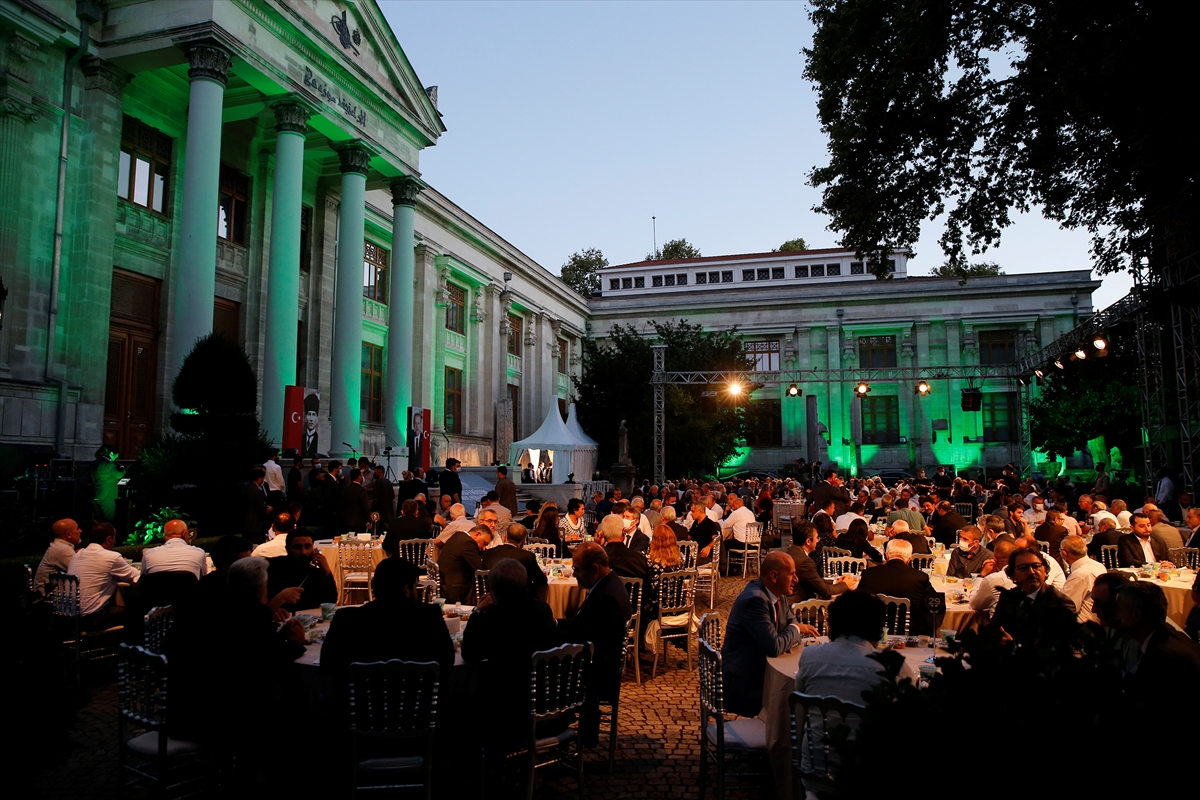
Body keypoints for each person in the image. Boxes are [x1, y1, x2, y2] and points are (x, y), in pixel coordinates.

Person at [320, 558, 455, 684]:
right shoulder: (429, 616)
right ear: (406, 589)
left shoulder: (346, 618)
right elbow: (447, 662)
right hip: (418, 703)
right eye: (415, 587)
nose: (416, 592)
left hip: (362, 704)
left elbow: (327, 665)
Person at [722, 551, 819, 716]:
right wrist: (796, 631)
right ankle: (784, 741)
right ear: (774, 576)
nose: (796, 580)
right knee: (796, 700)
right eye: (792, 574)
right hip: (745, 685)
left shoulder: (777, 594)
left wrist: (787, 636)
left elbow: (791, 622)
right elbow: (775, 646)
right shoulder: (755, 600)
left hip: (761, 673)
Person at [556, 542, 632, 746]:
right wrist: (555, 623)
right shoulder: (607, 585)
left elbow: (584, 636)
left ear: (595, 568)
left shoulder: (607, 597)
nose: (575, 575)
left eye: (578, 570)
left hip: (597, 673)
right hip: (595, 661)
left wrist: (553, 635)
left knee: (541, 674)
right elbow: (582, 625)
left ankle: (549, 728)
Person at [795, 591, 918, 700]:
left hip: (819, 726)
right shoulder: (891, 666)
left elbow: (800, 697)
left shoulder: (809, 656)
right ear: (877, 628)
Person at [1116, 581, 1200, 697]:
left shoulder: (1162, 657)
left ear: (1136, 615)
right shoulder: (1166, 634)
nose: (1117, 617)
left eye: (1119, 611)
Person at [990, 546, 1077, 641]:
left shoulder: (1060, 603)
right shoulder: (1008, 597)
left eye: (1036, 566)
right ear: (1013, 574)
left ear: (1045, 571)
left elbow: (1059, 646)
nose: (1031, 572)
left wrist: (1014, 645)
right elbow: (994, 628)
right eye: (1023, 568)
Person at [66, 522, 140, 628]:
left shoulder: (77, 555)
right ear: (109, 539)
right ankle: (130, 643)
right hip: (92, 618)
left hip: (71, 618)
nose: (115, 541)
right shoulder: (111, 557)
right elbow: (134, 575)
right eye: (115, 538)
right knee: (138, 611)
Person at [266, 530, 337, 612]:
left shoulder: (315, 572)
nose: (303, 552)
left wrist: (327, 571)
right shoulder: (273, 568)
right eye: (297, 547)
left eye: (307, 547)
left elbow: (330, 601)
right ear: (287, 549)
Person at [785, 522, 850, 603]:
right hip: (799, 607)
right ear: (808, 541)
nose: (818, 540)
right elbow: (825, 591)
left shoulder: (789, 551)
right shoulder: (805, 562)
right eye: (817, 538)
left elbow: (814, 581)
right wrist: (846, 584)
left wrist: (836, 582)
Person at [482, 522, 549, 597]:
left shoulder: (488, 553)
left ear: (505, 537)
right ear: (524, 542)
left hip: (491, 599)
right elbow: (541, 580)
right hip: (518, 602)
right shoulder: (527, 556)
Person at [1059, 534, 1107, 623]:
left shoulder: (1079, 574)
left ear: (1064, 554)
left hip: (1082, 626)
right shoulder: (1098, 565)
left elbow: (1066, 608)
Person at [439, 524, 491, 604]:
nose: (484, 548)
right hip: (457, 590)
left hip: (445, 584)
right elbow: (480, 569)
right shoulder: (468, 543)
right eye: (484, 543)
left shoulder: (458, 535)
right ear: (477, 534)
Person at [141, 518, 208, 578]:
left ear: (164, 536)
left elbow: (143, 580)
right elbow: (204, 580)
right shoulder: (199, 553)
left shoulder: (148, 554)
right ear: (185, 534)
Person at [600, 513, 654, 583]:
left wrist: (599, 546)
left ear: (602, 534)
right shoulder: (638, 559)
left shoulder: (598, 559)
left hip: (606, 593)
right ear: (623, 532)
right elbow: (647, 589)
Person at [969, 539, 1016, 618]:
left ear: (995, 559)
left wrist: (982, 575)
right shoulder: (1025, 574)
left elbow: (974, 604)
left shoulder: (993, 579)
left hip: (999, 627)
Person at [33, 518, 81, 594]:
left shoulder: (59, 547)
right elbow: (82, 572)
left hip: (51, 595)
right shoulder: (63, 550)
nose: (80, 531)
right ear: (68, 534)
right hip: (47, 598)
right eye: (77, 528)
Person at [240, 465, 273, 543]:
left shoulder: (244, 489)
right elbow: (261, 509)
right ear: (260, 478)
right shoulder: (257, 491)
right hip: (256, 526)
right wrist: (268, 509)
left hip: (244, 524)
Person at [340, 468, 371, 534]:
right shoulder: (361, 490)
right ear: (359, 477)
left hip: (346, 521)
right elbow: (366, 507)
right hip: (359, 522)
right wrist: (369, 520)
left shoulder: (346, 490)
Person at [370, 465, 396, 529]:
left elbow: (375, 498)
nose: (374, 474)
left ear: (380, 473)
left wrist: (372, 509)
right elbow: (393, 496)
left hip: (381, 513)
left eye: (375, 473)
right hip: (390, 513)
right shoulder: (389, 482)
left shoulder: (377, 482)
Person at [302, 392, 320, 458]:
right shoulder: (301, 438)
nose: (311, 419)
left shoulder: (319, 439)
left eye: (313, 415)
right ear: (305, 417)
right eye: (309, 414)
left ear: (317, 418)